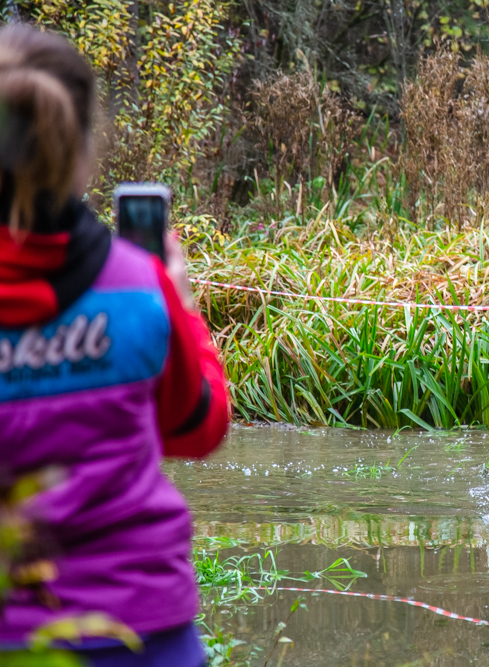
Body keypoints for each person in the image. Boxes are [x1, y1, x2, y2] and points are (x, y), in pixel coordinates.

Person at [0, 24, 228, 665]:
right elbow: (197, 428)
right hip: (143, 632)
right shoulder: (138, 286)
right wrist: (182, 306)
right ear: (80, 153)